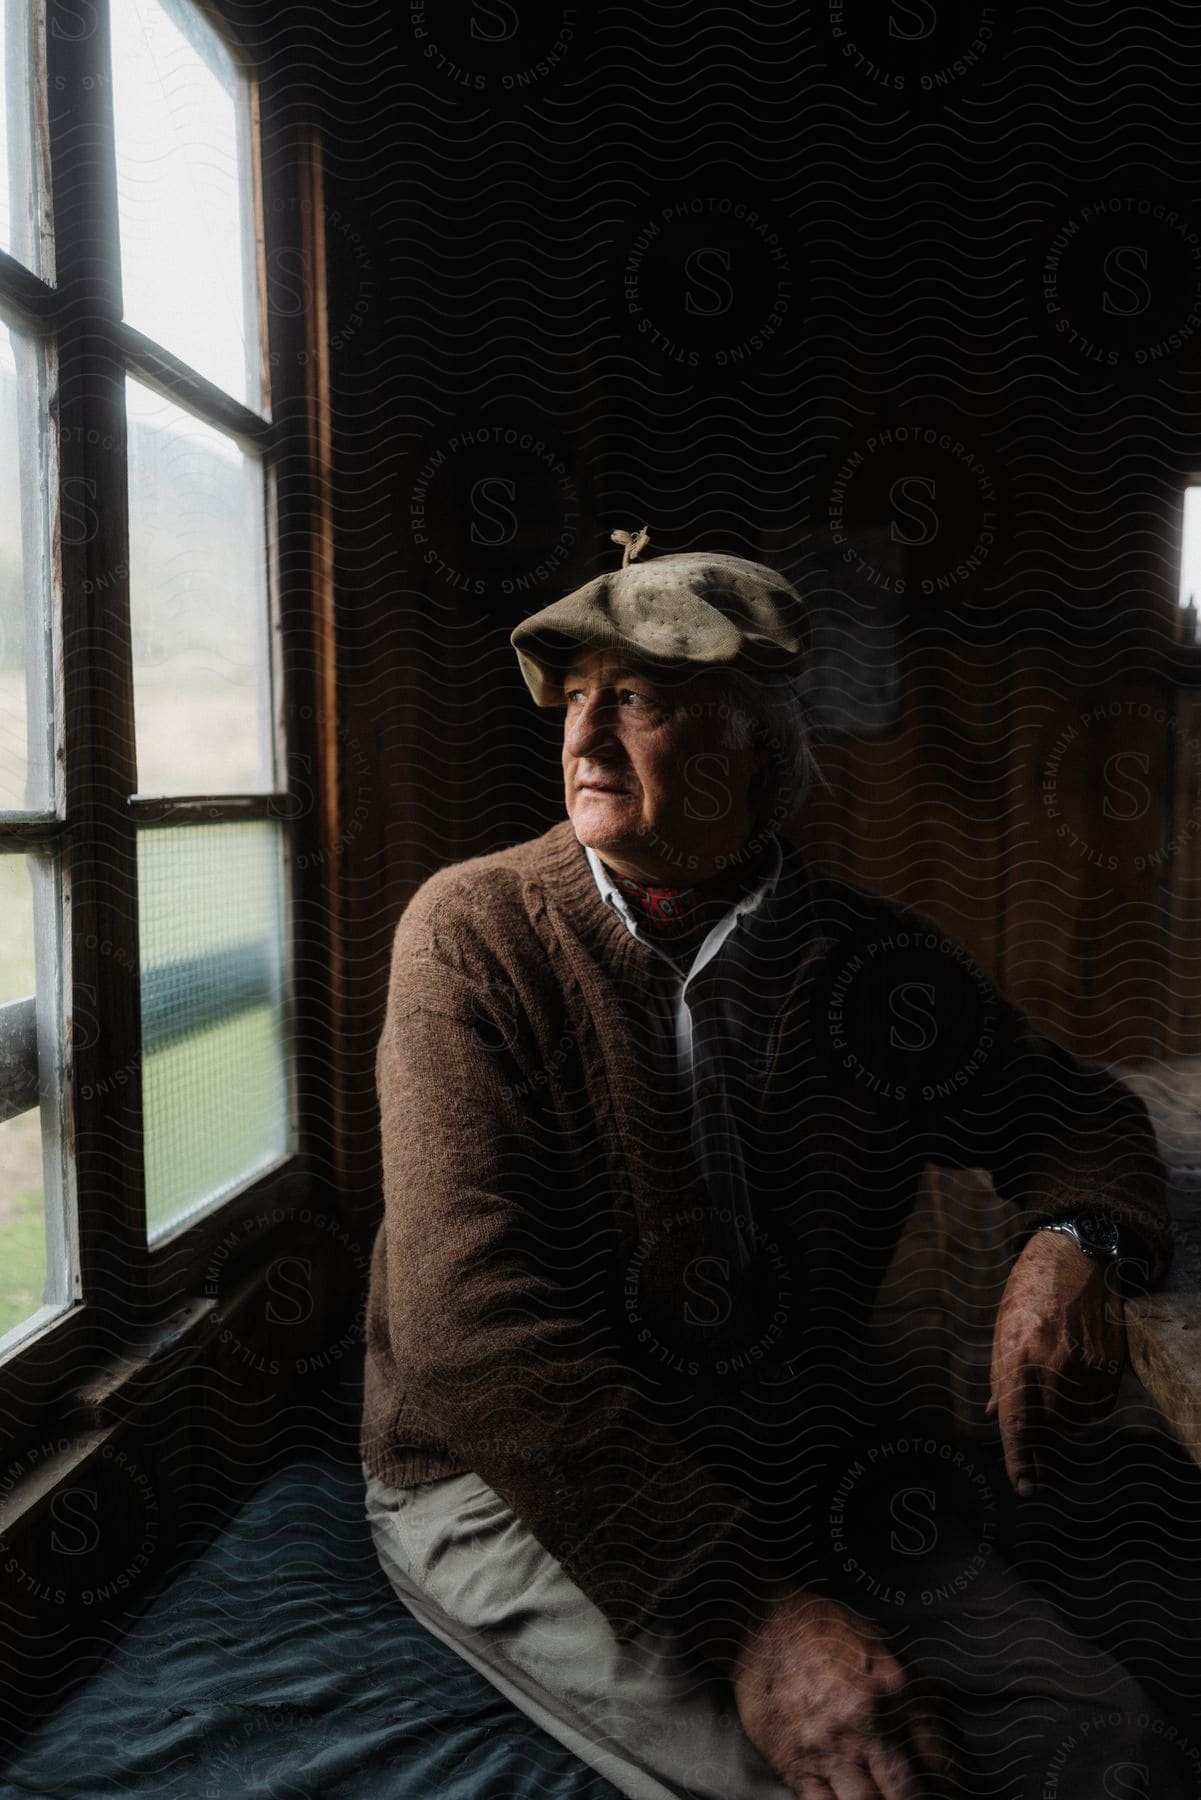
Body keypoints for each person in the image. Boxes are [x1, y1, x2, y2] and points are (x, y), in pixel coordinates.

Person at [360, 535, 1185, 1799]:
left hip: (793, 1450)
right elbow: (464, 1329)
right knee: (845, 1784)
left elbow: (1076, 1119)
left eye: (634, 698)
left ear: (753, 741)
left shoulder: (872, 963)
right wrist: (748, 1615)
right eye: (574, 695)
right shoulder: (471, 935)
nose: (582, 738)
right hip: (510, 1474)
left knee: (1111, 1743)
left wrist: (1077, 1240)